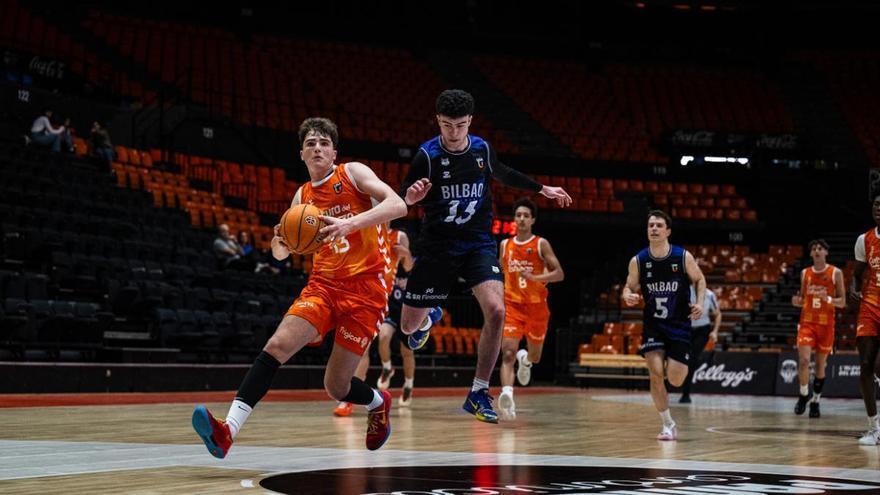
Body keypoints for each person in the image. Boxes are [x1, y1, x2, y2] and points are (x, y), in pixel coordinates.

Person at [191, 117, 407, 456]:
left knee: (336, 386)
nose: (317, 147)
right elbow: (280, 254)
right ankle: (227, 431)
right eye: (310, 143)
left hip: (367, 290)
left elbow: (398, 205)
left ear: (334, 152)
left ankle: (378, 401)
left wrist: (348, 224)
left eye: (323, 142)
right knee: (277, 345)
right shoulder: (302, 197)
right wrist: (281, 240)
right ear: (302, 154)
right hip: (322, 286)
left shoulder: (353, 173)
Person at [399, 89, 571, 424]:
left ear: (470, 122)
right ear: (438, 121)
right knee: (409, 328)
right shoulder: (427, 156)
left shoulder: (481, 149)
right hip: (437, 246)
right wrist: (410, 197)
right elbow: (402, 197)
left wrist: (542, 188)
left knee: (496, 309)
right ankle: (430, 314)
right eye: (448, 125)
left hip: (478, 244)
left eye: (461, 125)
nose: (454, 133)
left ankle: (478, 392)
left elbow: (504, 172)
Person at [622, 210, 706, 441]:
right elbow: (628, 287)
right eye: (651, 225)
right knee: (656, 374)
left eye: (659, 225)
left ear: (668, 231)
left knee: (676, 379)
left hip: (679, 325)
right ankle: (668, 424)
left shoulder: (682, 257)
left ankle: (674, 372)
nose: (654, 229)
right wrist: (628, 295)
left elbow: (699, 279)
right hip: (654, 326)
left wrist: (699, 303)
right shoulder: (639, 260)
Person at [497, 198, 564, 420]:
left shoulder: (540, 244)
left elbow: (559, 274)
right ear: (514, 219)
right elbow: (500, 273)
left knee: (535, 357)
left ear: (533, 219)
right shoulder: (505, 245)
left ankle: (525, 361)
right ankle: (507, 394)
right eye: (519, 215)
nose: (522, 219)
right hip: (512, 305)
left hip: (536, 308)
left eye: (526, 215)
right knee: (507, 353)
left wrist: (536, 277)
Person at [791, 239, 846, 418]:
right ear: (810, 254)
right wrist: (797, 302)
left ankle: (815, 400)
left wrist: (828, 299)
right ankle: (803, 394)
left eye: (820, 248)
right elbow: (802, 298)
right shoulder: (805, 273)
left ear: (826, 253)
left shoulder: (835, 273)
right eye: (814, 248)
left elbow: (843, 302)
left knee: (821, 366)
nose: (816, 250)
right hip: (807, 322)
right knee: (804, 360)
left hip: (826, 324)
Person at [854, 194, 880, 445]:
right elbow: (857, 274)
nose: (879, 209)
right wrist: (854, 287)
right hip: (870, 306)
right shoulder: (864, 240)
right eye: (876, 205)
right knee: (865, 365)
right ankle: (874, 428)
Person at [679, 286, 721, 404]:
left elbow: (717, 314)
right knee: (681, 357)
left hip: (702, 330)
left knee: (692, 358)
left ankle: (685, 394)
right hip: (686, 329)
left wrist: (715, 332)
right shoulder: (685, 292)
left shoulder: (709, 294)